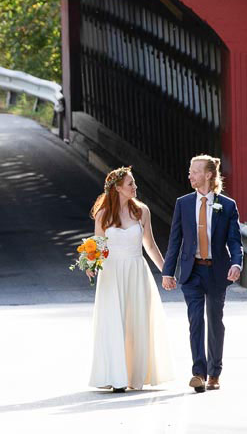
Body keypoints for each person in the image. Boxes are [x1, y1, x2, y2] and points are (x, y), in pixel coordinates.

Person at [162, 154, 243, 393]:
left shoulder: (227, 205)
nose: (190, 175)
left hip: (217, 271)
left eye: (194, 171)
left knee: (215, 321)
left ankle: (214, 373)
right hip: (192, 271)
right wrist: (168, 272)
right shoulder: (183, 203)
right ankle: (198, 372)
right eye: (190, 171)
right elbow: (175, 240)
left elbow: (235, 241)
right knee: (195, 320)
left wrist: (236, 264)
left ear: (208, 175)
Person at [88, 166, 173, 391]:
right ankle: (115, 377)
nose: (135, 187)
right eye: (130, 184)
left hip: (136, 271)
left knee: (135, 324)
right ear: (117, 188)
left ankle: (134, 375)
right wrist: (90, 264)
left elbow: (150, 245)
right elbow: (98, 245)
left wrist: (166, 271)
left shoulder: (142, 211)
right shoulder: (103, 214)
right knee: (114, 322)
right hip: (111, 272)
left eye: (134, 183)